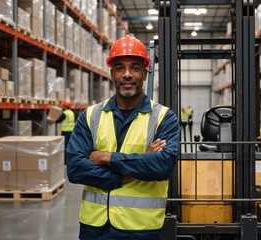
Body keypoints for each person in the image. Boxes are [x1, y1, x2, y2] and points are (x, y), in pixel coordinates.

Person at [66, 35, 180, 240]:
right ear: (111, 73)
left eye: (135, 67)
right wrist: (134, 168)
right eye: (120, 68)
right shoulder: (91, 116)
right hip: (95, 229)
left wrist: (108, 157)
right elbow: (75, 169)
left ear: (145, 73)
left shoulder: (164, 117)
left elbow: (163, 166)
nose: (127, 74)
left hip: (141, 229)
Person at [50, 100, 75, 164]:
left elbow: (58, 121)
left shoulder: (65, 113)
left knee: (65, 146)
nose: (62, 107)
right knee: (70, 146)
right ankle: (70, 160)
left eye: (63, 105)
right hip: (71, 131)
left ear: (65, 106)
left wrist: (51, 120)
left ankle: (65, 161)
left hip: (65, 132)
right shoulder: (72, 113)